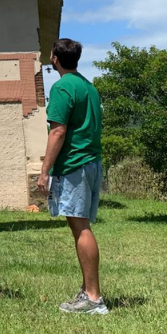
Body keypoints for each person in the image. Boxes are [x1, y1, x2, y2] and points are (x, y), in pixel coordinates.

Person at [36, 38, 108, 315]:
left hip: (74, 165)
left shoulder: (62, 87)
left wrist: (45, 171)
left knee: (81, 228)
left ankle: (93, 297)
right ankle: (88, 290)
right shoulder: (89, 87)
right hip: (92, 162)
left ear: (55, 58)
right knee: (82, 225)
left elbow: (58, 131)